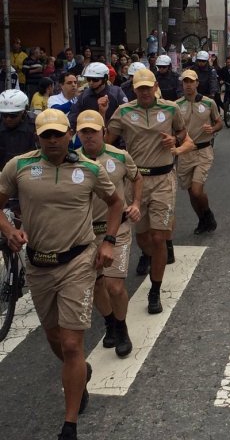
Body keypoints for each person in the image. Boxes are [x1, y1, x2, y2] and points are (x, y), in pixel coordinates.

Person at [0, 108, 123, 440]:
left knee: (71, 343)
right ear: (37, 138)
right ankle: (79, 373)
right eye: (46, 135)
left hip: (78, 262)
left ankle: (69, 425)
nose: (53, 140)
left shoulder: (89, 168)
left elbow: (116, 203)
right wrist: (9, 229)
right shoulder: (20, 166)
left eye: (58, 134)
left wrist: (108, 241)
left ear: (70, 134)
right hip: (38, 266)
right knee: (56, 340)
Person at [106, 69, 187, 314]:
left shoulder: (171, 109)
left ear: (155, 87)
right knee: (142, 237)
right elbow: (108, 142)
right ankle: (150, 258)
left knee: (158, 237)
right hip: (136, 180)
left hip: (163, 178)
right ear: (134, 89)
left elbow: (182, 134)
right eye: (139, 87)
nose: (143, 92)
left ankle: (155, 289)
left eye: (147, 87)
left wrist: (175, 140)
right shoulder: (124, 112)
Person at [76, 110, 142, 359]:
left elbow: (137, 178)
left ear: (104, 132)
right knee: (96, 285)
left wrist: (135, 203)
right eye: (84, 132)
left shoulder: (120, 156)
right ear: (78, 134)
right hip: (86, 234)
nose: (89, 136)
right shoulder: (72, 162)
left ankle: (122, 328)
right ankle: (110, 323)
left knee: (114, 286)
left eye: (93, 131)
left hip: (118, 229)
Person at [176, 70, 222, 233]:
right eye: (185, 82)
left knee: (197, 190)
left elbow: (219, 122)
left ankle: (208, 214)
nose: (188, 85)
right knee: (191, 192)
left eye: (191, 81)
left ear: (197, 83)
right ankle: (203, 221)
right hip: (185, 153)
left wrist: (213, 128)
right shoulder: (177, 105)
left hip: (203, 151)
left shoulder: (209, 103)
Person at [68, 62, 128, 130]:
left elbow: (126, 116)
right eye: (88, 79)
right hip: (89, 134)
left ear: (105, 78)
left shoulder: (117, 93)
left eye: (95, 79)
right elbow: (72, 117)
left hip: (113, 135)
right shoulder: (83, 95)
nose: (91, 82)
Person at [0, 90, 36, 170]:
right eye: (4, 115)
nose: (8, 119)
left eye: (13, 115)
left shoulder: (35, 127)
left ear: (24, 112)